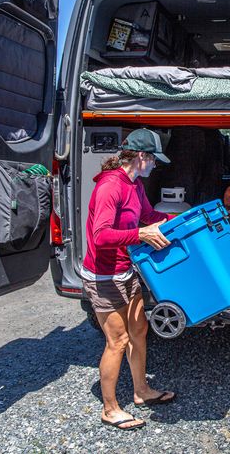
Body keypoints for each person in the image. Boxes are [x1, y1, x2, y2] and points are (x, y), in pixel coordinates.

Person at [82, 128, 177, 431]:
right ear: (140, 156)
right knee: (118, 340)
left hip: (126, 269)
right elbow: (101, 235)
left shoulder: (134, 185)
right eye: (153, 159)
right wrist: (140, 235)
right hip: (103, 275)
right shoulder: (111, 186)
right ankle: (109, 408)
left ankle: (141, 391)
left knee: (139, 329)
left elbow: (149, 216)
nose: (155, 165)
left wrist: (183, 221)